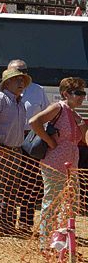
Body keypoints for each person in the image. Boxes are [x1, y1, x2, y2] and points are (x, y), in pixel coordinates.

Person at [29, 77, 87, 242]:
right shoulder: (58, 108)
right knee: (52, 203)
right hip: (54, 164)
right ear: (65, 94)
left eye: (84, 93)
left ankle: (61, 242)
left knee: (72, 205)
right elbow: (34, 122)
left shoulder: (74, 114)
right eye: (79, 93)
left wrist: (81, 122)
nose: (83, 96)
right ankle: (45, 241)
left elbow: (84, 137)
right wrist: (49, 141)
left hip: (71, 166)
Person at [0, 67, 31, 235]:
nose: (21, 83)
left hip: (15, 151)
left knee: (11, 188)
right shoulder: (0, 98)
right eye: (18, 80)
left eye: (23, 80)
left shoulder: (20, 103)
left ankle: (6, 225)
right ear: (7, 82)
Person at [7, 59, 49, 230]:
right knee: (9, 181)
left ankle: (25, 222)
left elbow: (46, 115)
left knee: (30, 181)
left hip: (30, 139)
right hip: (9, 139)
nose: (20, 74)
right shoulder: (0, 90)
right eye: (16, 71)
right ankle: (6, 221)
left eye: (23, 70)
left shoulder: (38, 90)